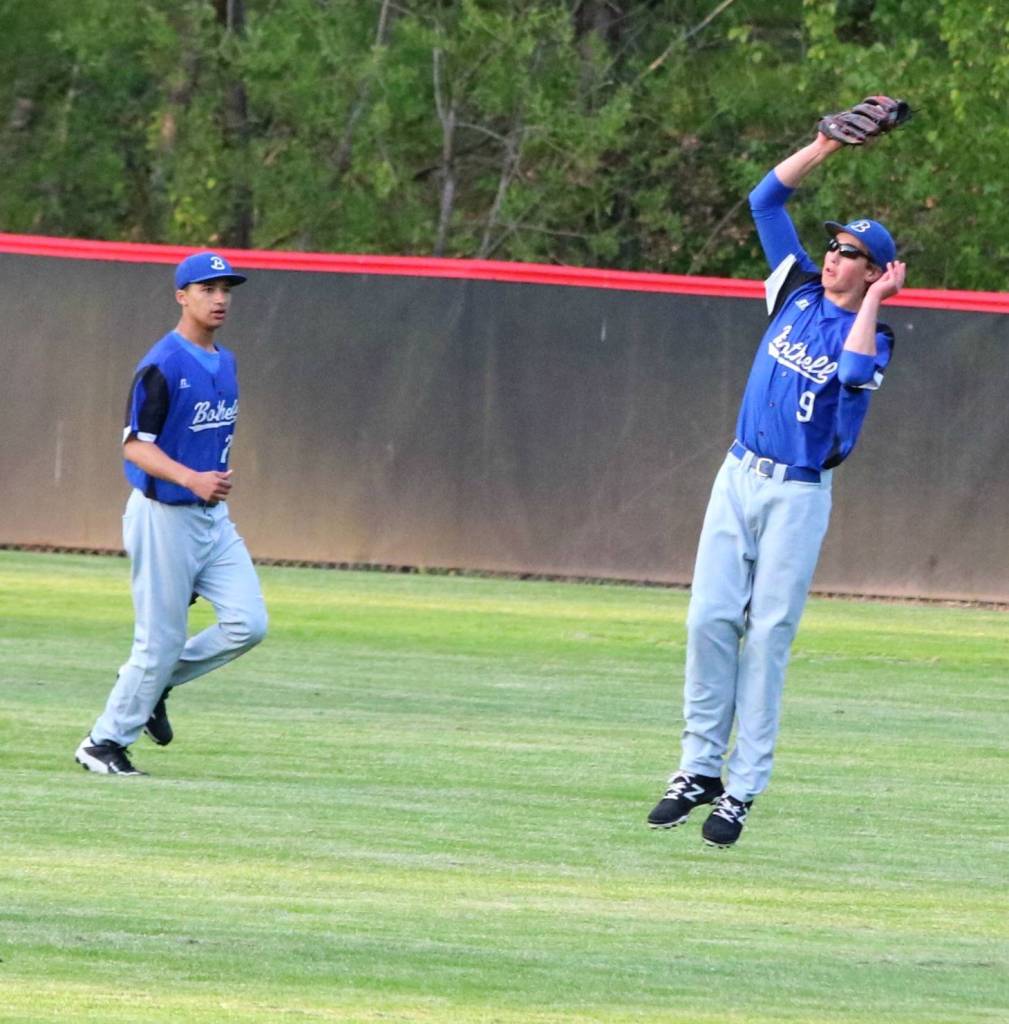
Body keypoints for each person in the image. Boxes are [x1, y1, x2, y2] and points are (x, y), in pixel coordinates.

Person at [647, 130, 906, 846]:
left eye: (851, 253)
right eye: (832, 247)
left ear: (877, 271)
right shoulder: (792, 288)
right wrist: (824, 142)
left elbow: (852, 376)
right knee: (707, 620)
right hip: (738, 474)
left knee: (767, 637)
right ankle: (696, 768)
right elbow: (764, 199)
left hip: (797, 492)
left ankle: (740, 789)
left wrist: (876, 301)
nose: (833, 258)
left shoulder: (871, 334)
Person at [75, 252, 268, 776]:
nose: (220, 297)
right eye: (207, 288)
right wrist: (190, 478)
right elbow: (135, 447)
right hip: (164, 515)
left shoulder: (225, 362)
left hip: (211, 519)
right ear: (182, 296)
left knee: (248, 623)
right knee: (157, 641)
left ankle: (155, 685)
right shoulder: (163, 362)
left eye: (226, 288)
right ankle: (103, 742)